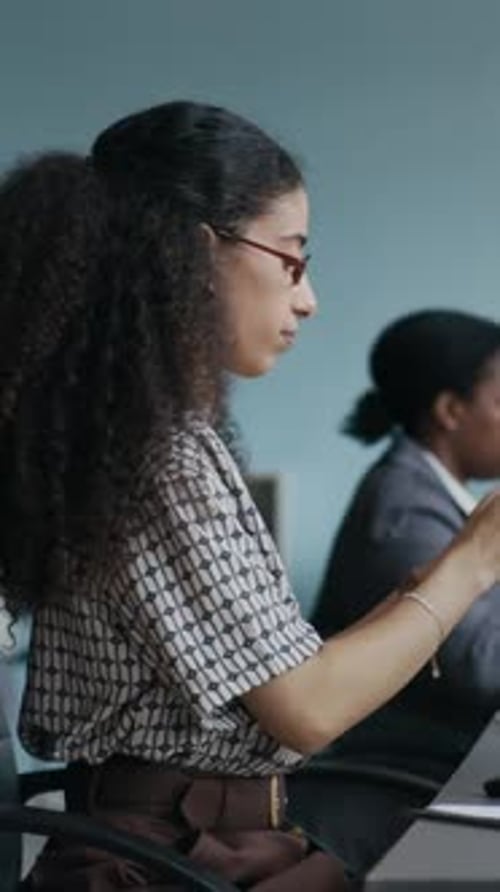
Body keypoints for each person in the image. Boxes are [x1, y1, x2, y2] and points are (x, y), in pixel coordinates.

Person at [1, 105, 500, 892]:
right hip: (168, 862)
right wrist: (474, 559)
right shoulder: (151, 453)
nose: (308, 300)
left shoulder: (156, 434)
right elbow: (305, 709)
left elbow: (291, 674)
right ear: (199, 253)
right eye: (293, 260)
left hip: (223, 844)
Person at [311, 309, 500, 782]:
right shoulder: (403, 510)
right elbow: (483, 668)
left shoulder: (433, 496)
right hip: (406, 776)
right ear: (451, 411)